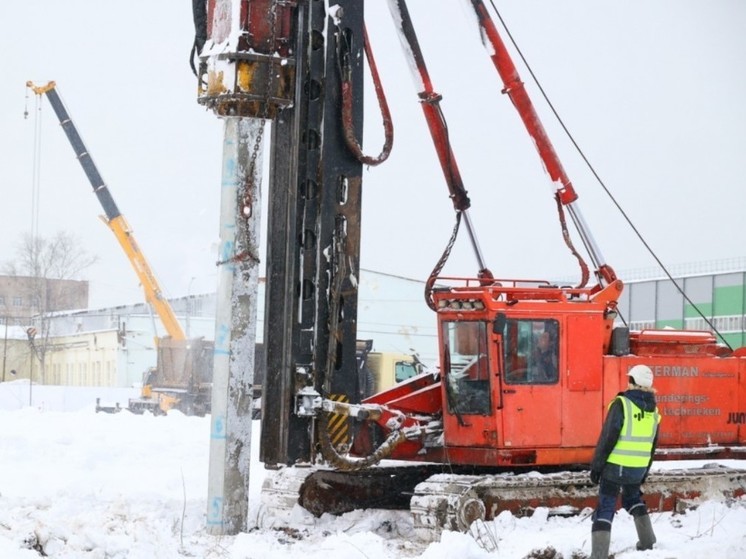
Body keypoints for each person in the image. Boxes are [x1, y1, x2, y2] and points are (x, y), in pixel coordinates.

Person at [588, 364, 660, 559]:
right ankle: (647, 542)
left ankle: (599, 555)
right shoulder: (654, 411)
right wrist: (644, 472)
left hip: (615, 467)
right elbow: (652, 446)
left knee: (606, 505)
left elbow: (607, 438)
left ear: (633, 382)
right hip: (637, 469)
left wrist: (596, 467)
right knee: (633, 500)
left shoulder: (622, 404)